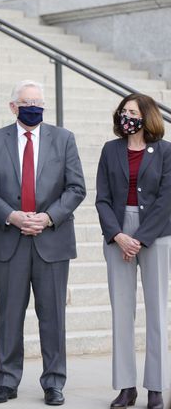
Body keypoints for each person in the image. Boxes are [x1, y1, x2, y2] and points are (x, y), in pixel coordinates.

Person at [0, 80, 86, 406]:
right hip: (9, 239)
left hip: (52, 239)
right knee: (9, 315)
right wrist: (12, 216)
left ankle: (54, 382)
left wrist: (48, 217)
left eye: (38, 101)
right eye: (27, 102)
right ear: (13, 107)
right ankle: (7, 381)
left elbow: (76, 188)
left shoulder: (64, 140)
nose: (33, 106)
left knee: (52, 315)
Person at [95, 93, 170, 409]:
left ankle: (156, 387)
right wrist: (117, 235)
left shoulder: (166, 152)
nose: (127, 116)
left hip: (156, 232)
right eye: (124, 111)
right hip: (118, 230)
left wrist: (139, 238)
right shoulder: (110, 150)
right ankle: (126, 386)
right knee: (122, 313)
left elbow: (168, 199)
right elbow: (101, 197)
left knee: (156, 312)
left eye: (133, 111)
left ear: (147, 116)